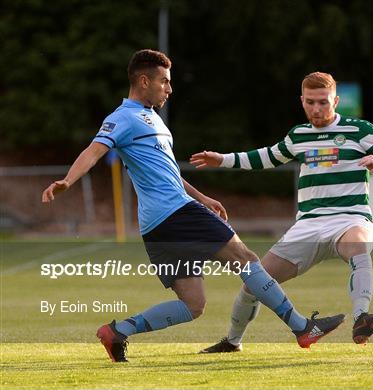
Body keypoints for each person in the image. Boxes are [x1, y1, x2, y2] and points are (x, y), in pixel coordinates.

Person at [41, 51, 344, 362]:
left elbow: (168, 172)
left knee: (193, 305)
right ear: (144, 81)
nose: (169, 89)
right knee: (246, 258)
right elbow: (93, 151)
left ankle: (118, 331)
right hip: (175, 213)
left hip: (158, 224)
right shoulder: (122, 118)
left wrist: (203, 198)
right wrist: (68, 180)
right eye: (164, 82)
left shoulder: (152, 119)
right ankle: (302, 328)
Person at [190, 71, 373, 353]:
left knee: (359, 249)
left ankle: (361, 318)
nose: (316, 109)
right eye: (310, 102)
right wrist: (222, 159)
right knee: (254, 280)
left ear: (336, 100)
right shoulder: (299, 135)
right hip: (308, 225)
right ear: (302, 101)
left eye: (323, 102)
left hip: (349, 217)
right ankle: (232, 341)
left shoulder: (361, 130)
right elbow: (267, 157)